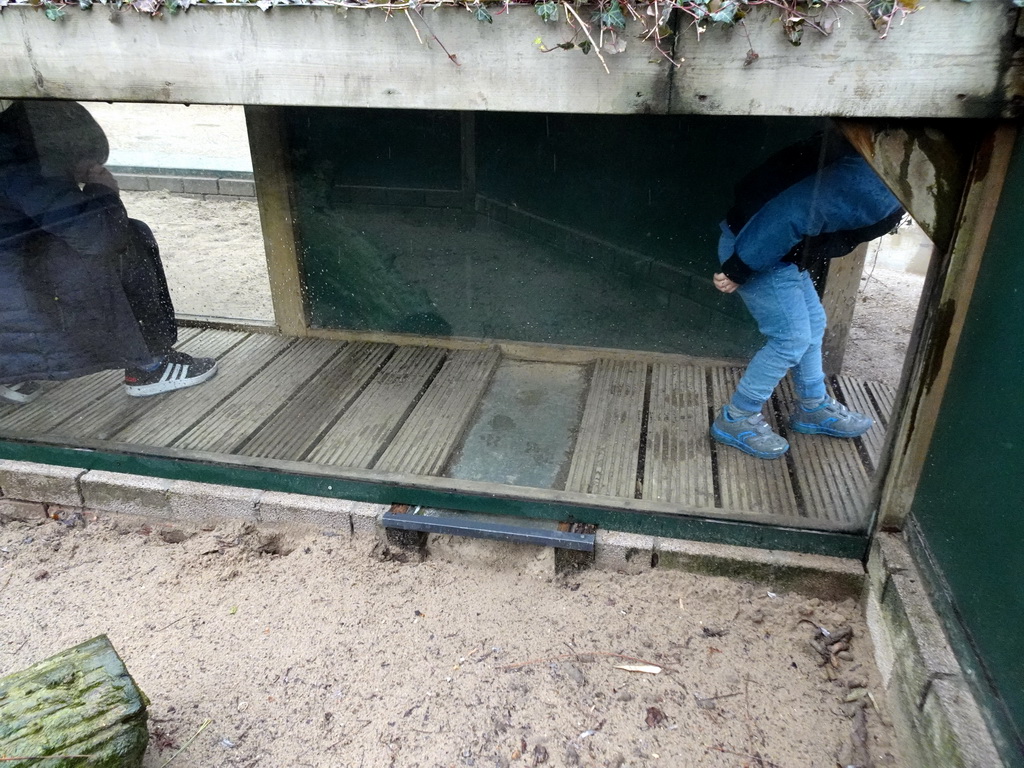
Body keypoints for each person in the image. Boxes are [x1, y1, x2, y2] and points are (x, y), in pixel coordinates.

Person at [0, 100, 217, 405]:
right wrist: (103, 192)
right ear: (63, 150)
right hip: (12, 290)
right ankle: (150, 367)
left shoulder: (13, 150)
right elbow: (98, 238)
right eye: (84, 166)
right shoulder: (26, 168)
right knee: (129, 236)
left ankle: (11, 374)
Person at [710, 132, 904, 460]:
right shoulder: (875, 183)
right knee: (791, 338)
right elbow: (789, 213)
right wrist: (739, 268)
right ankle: (737, 417)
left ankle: (812, 407)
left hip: (781, 251)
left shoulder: (884, 171)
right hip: (758, 248)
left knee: (813, 325)